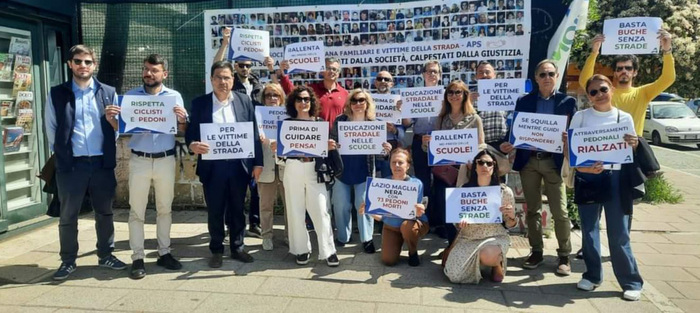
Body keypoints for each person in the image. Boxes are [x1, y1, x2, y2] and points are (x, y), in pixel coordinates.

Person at [45, 44, 125, 280]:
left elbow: (117, 129)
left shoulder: (108, 92)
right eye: (78, 61)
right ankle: (68, 261)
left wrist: (114, 126)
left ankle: (106, 254)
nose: (83, 66)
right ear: (70, 64)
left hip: (102, 163)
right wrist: (63, 154)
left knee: (105, 212)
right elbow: (51, 129)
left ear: (94, 65)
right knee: (68, 215)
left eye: (87, 62)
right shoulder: (57, 93)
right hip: (72, 165)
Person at [571, 74, 644, 301]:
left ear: (611, 89)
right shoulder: (580, 117)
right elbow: (571, 152)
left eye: (602, 89)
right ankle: (593, 276)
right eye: (593, 92)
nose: (599, 95)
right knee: (589, 230)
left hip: (617, 178)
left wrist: (634, 145)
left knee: (619, 232)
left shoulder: (624, 117)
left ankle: (631, 281)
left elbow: (630, 154)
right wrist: (584, 170)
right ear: (588, 96)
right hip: (588, 178)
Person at [500, 60, 576, 275]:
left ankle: (564, 255)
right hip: (530, 161)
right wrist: (508, 142)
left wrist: (567, 137)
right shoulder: (524, 101)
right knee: (532, 210)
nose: (547, 78)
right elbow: (516, 127)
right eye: (542, 74)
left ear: (557, 75)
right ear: (536, 77)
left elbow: (575, 131)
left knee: (560, 211)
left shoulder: (567, 101)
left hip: (554, 162)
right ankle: (536, 251)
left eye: (551, 74)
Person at [185, 61, 263, 268]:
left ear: (233, 79)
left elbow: (254, 133)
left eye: (227, 77)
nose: (223, 81)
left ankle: (237, 247)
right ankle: (217, 249)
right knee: (215, 210)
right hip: (213, 167)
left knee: (238, 209)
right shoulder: (200, 103)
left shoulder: (244, 101)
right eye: (218, 77)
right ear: (211, 80)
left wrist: (258, 163)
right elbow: (191, 133)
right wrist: (193, 144)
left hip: (239, 166)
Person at [125, 54, 187, 279]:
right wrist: (115, 117)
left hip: (165, 159)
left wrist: (182, 120)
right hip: (139, 159)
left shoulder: (174, 96)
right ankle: (138, 257)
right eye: (146, 69)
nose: (148, 74)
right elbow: (120, 127)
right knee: (136, 211)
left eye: (154, 70)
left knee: (164, 209)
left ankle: (164, 252)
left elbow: (182, 130)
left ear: (164, 74)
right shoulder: (130, 97)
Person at [272, 86, 340, 266]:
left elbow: (326, 150)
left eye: (306, 99)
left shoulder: (319, 122)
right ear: (293, 103)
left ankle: (329, 250)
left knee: (321, 210)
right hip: (293, 168)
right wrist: (277, 150)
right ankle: (301, 249)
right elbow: (281, 158)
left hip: (314, 170)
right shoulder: (286, 124)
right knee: (295, 211)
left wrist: (330, 146)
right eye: (299, 99)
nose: (303, 103)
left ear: (312, 102)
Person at [578, 31, 675, 142]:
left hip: (632, 149)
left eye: (628, 68)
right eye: (619, 68)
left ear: (635, 72)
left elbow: (668, 78)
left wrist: (667, 51)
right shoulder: (605, 92)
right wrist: (594, 52)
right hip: (606, 147)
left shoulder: (643, 93)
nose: (624, 71)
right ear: (615, 73)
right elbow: (585, 81)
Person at [422, 80, 485, 245]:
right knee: (446, 210)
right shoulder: (441, 119)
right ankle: (452, 244)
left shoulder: (475, 118)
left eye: (458, 92)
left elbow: (481, 146)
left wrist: (474, 162)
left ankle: (467, 244)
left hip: (465, 171)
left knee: (463, 210)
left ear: (465, 95)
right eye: (450, 92)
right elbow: (431, 149)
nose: (454, 95)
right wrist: (427, 142)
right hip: (445, 172)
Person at [330, 89, 392, 253]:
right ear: (349, 104)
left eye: (362, 100)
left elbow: (380, 155)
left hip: (364, 171)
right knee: (341, 205)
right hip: (341, 171)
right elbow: (332, 144)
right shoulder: (340, 121)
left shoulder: (375, 123)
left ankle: (367, 239)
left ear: (367, 103)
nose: (358, 104)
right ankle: (343, 236)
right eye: (354, 101)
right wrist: (333, 145)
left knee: (363, 205)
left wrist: (385, 151)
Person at [444, 150, 517, 284]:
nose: (485, 166)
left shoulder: (504, 191)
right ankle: (482, 263)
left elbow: (509, 225)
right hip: (468, 237)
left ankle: (496, 264)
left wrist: (512, 216)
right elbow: (455, 221)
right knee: (454, 276)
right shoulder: (462, 190)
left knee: (488, 254)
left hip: (494, 236)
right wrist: (459, 223)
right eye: (481, 162)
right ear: (474, 166)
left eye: (489, 163)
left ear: (494, 167)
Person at [359, 148, 429, 266]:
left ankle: (412, 252)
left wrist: (420, 210)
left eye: (400, 162)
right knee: (388, 260)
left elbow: (415, 214)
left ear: (408, 165)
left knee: (407, 227)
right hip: (391, 226)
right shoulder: (382, 184)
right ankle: (397, 243)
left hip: (412, 223)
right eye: (393, 162)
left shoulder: (416, 184)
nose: (396, 165)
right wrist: (368, 210)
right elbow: (381, 217)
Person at [401, 60, 441, 236]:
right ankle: (423, 220)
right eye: (429, 71)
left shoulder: (447, 95)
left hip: (441, 144)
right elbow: (408, 123)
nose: (432, 74)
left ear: (440, 76)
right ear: (423, 75)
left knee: (441, 181)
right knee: (422, 182)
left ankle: (438, 221)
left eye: (435, 72)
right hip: (419, 142)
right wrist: (404, 111)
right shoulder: (415, 96)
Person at [258, 84, 289, 251]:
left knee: (290, 205)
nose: (272, 98)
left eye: (275, 95)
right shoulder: (258, 116)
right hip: (265, 165)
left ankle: (290, 236)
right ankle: (266, 236)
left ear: (281, 98)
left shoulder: (289, 116)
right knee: (265, 205)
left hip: (286, 167)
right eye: (268, 95)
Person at [280, 57, 348, 127]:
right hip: (314, 133)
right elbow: (292, 92)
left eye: (334, 69)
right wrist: (284, 74)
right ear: (322, 71)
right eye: (328, 68)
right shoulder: (311, 89)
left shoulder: (345, 94)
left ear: (338, 73)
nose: (331, 71)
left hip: (336, 136)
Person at [374, 71, 405, 177]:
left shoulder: (398, 103)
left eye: (386, 80)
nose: (383, 81)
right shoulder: (367, 102)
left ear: (392, 84)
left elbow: (402, 134)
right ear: (375, 83)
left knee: (388, 179)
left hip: (391, 146)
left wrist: (394, 130)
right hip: (370, 145)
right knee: (371, 181)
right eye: (380, 79)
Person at [472, 61, 508, 151]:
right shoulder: (468, 96)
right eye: (480, 73)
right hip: (477, 147)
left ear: (494, 75)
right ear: (476, 76)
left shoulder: (506, 93)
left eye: (487, 72)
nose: (484, 75)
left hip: (502, 146)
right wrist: (468, 102)